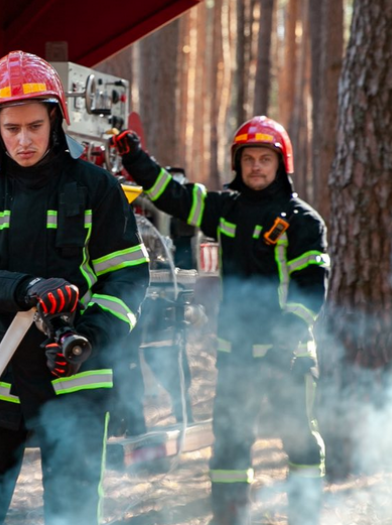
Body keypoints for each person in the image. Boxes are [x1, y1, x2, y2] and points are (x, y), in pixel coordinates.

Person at [0, 50, 149, 525]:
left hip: (76, 371)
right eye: (11, 129)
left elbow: (129, 276)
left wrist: (89, 338)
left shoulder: (96, 187)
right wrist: (24, 288)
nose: (24, 140)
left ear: (56, 119)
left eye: (34, 125)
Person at [111, 116, 330, 525]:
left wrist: (285, 343)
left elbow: (310, 292)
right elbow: (171, 196)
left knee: (300, 444)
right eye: (248, 159)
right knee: (229, 447)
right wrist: (135, 158)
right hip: (237, 357)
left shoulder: (302, 221)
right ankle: (229, 518)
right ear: (238, 163)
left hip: (289, 359)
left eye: (265, 158)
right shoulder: (225, 209)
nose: (256, 167)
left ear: (282, 164)